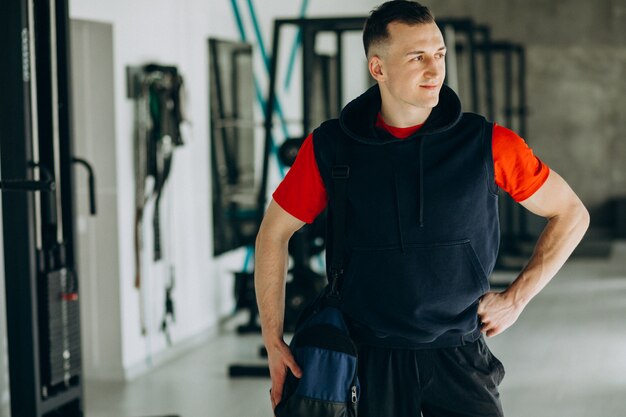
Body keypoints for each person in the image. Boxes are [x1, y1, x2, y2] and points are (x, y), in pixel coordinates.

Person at [254, 1, 590, 416]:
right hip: (367, 360)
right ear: (378, 69)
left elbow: (571, 213)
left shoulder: (488, 144)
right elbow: (273, 232)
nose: (435, 70)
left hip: (458, 355)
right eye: (417, 58)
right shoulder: (331, 148)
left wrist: (517, 298)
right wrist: (273, 341)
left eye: (440, 55)